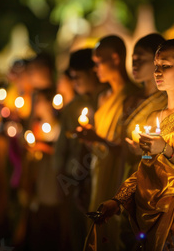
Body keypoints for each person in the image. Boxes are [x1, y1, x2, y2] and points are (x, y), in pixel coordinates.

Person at [96, 36, 174, 250]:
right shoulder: (154, 118)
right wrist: (118, 200)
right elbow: (146, 170)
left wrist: (166, 149)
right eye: (156, 66)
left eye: (166, 66)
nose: (157, 72)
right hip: (152, 212)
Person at [76, 35, 140, 250]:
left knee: (111, 232)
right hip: (98, 171)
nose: (95, 69)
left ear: (115, 58)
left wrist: (98, 139)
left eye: (97, 62)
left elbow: (129, 150)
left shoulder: (133, 97)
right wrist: (89, 139)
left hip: (118, 172)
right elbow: (98, 147)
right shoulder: (103, 97)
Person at [54, 48, 107, 251]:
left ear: (94, 71)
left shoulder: (108, 102)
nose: (74, 82)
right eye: (72, 78)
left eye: (78, 76)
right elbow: (62, 149)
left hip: (102, 177)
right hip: (74, 178)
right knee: (77, 235)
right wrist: (61, 180)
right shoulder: (72, 107)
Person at [123, 33, 167, 177]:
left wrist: (145, 151)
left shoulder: (167, 100)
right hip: (129, 171)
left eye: (141, 59)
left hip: (156, 175)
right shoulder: (130, 99)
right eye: (133, 59)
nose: (135, 64)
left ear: (157, 60)